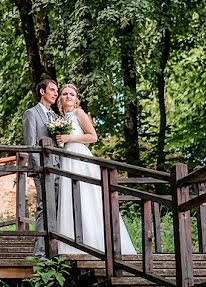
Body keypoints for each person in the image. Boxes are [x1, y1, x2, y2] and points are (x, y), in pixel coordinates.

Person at [54, 84, 136, 255]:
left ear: (76, 99)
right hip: (67, 158)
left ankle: (98, 243)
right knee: (70, 196)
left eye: (72, 94)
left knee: (88, 197)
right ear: (60, 98)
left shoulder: (79, 113)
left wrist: (69, 137)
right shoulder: (60, 118)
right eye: (64, 94)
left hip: (80, 158)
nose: (68, 96)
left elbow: (93, 136)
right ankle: (72, 244)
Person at [22, 78, 59, 257]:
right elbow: (30, 143)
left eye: (56, 91)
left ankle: (54, 248)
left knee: (58, 206)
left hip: (58, 168)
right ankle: (40, 252)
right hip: (43, 170)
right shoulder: (31, 114)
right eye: (52, 90)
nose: (55, 93)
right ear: (42, 92)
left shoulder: (55, 117)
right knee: (44, 206)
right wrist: (38, 169)